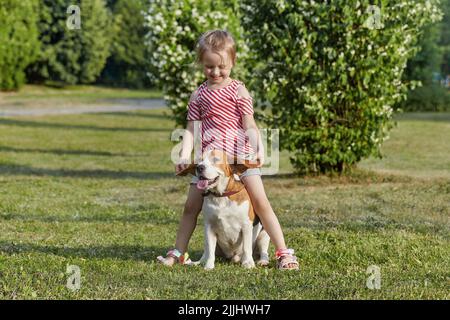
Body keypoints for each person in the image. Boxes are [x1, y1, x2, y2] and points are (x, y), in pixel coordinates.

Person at [157, 30, 299, 270]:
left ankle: (283, 253)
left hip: (240, 159)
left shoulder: (238, 91)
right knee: (191, 207)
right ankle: (179, 252)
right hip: (209, 165)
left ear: (232, 62)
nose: (215, 72)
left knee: (261, 204)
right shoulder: (198, 95)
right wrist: (184, 154)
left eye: (221, 66)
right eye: (209, 67)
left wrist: (258, 148)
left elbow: (249, 124)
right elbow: (191, 129)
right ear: (201, 64)